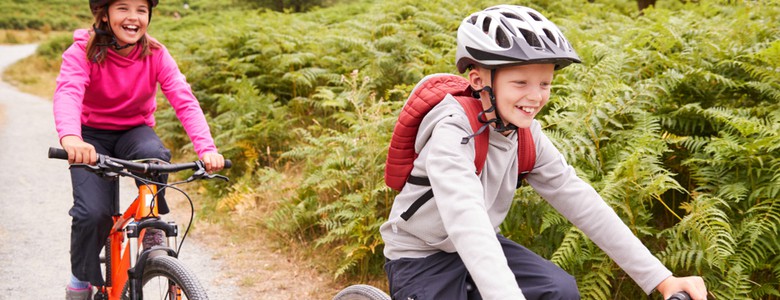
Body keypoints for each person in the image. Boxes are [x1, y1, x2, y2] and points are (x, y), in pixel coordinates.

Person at [379, 5, 708, 300]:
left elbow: (584, 203)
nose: (535, 96)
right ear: (479, 80)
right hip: (419, 258)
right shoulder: (451, 133)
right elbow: (467, 221)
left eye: (545, 83)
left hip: (483, 248)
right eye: (520, 83)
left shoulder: (525, 135)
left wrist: (660, 279)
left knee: (559, 290)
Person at [54, 0, 225, 299]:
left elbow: (184, 100)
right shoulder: (82, 52)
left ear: (149, 15)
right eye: (122, 8)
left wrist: (207, 149)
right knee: (93, 214)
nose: (133, 17)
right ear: (104, 15)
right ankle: (80, 281)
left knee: (154, 155)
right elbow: (68, 91)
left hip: (134, 131)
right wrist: (71, 138)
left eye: (141, 10)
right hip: (90, 136)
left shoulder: (156, 53)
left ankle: (151, 227)